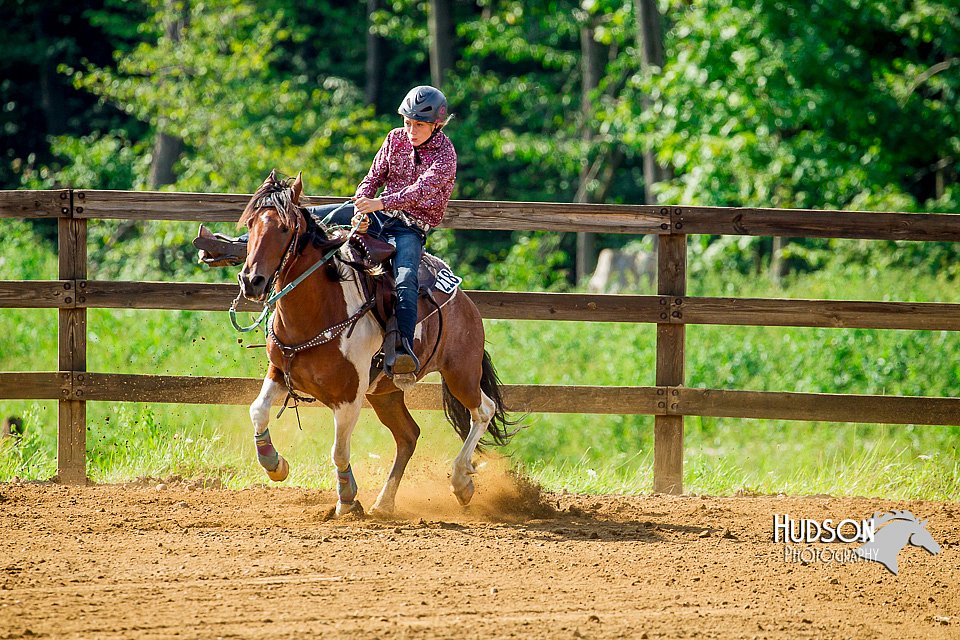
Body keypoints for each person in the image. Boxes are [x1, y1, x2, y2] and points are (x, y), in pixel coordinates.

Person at [305, 85, 457, 375]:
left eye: (419, 125)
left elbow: (419, 191)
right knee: (313, 217)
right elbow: (373, 176)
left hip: (409, 227)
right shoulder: (394, 139)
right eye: (407, 123)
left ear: (436, 125)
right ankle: (241, 244)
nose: (411, 130)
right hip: (376, 213)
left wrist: (377, 203)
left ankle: (401, 348)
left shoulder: (445, 156)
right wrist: (362, 203)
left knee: (406, 276)